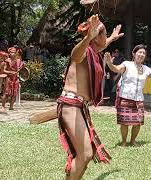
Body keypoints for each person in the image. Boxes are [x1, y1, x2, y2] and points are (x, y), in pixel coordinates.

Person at [57, 14, 123, 179]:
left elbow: (100, 46)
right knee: (85, 154)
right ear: (95, 36)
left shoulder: (92, 51)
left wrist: (112, 38)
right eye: (105, 34)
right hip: (71, 105)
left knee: (85, 155)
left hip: (77, 107)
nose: (106, 38)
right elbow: (75, 55)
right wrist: (88, 37)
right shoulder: (84, 51)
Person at [104, 44, 151, 147]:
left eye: (143, 53)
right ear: (134, 54)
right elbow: (116, 69)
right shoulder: (127, 64)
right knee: (124, 122)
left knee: (138, 122)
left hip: (139, 99)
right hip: (125, 97)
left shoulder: (146, 69)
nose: (142, 54)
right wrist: (109, 62)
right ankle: (124, 142)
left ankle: (133, 141)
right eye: (139, 52)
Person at [1, 47, 24, 112]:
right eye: (11, 52)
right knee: (6, 93)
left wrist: (21, 69)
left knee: (14, 93)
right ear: (9, 53)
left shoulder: (18, 61)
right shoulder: (7, 61)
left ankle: (11, 106)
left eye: (14, 52)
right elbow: (3, 70)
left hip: (16, 78)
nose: (13, 53)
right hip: (8, 78)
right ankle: (3, 106)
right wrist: (10, 72)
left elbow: (21, 70)